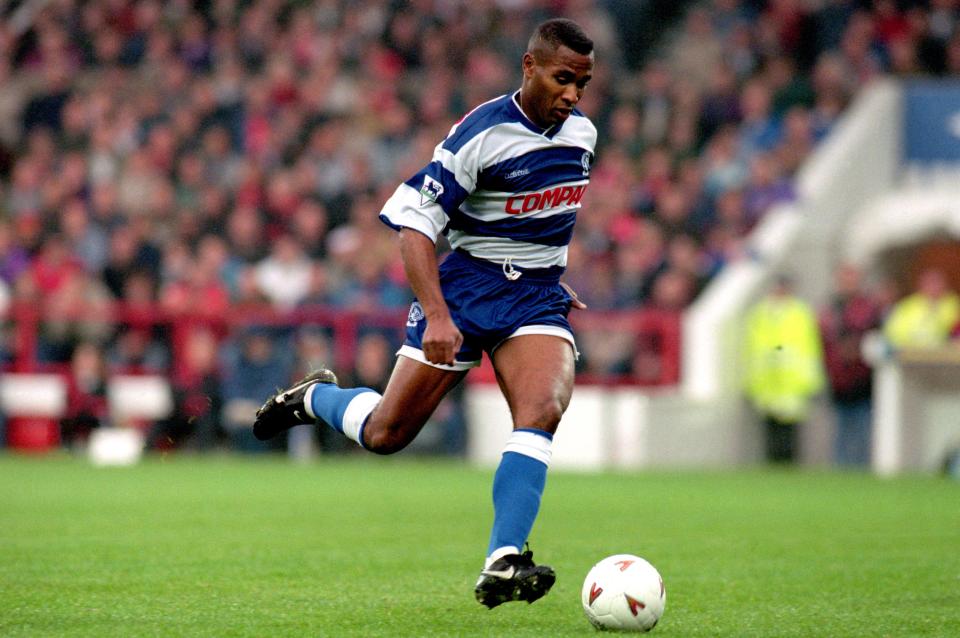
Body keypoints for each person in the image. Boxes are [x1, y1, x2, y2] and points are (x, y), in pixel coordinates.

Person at [253, 18, 596, 608]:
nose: (572, 95)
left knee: (542, 409)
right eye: (563, 79)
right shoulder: (479, 136)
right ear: (529, 66)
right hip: (464, 293)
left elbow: (547, 217)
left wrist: (550, 275)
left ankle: (504, 558)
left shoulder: (582, 134)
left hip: (535, 298)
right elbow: (415, 226)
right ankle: (313, 397)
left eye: (582, 84)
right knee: (387, 433)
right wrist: (437, 315)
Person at [742, 275, 825, 463]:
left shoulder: (800, 313)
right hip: (767, 380)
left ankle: (789, 463)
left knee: (790, 429)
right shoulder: (761, 313)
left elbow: (810, 347)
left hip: (792, 380)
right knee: (770, 428)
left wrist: (810, 379)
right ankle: (773, 462)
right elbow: (752, 346)